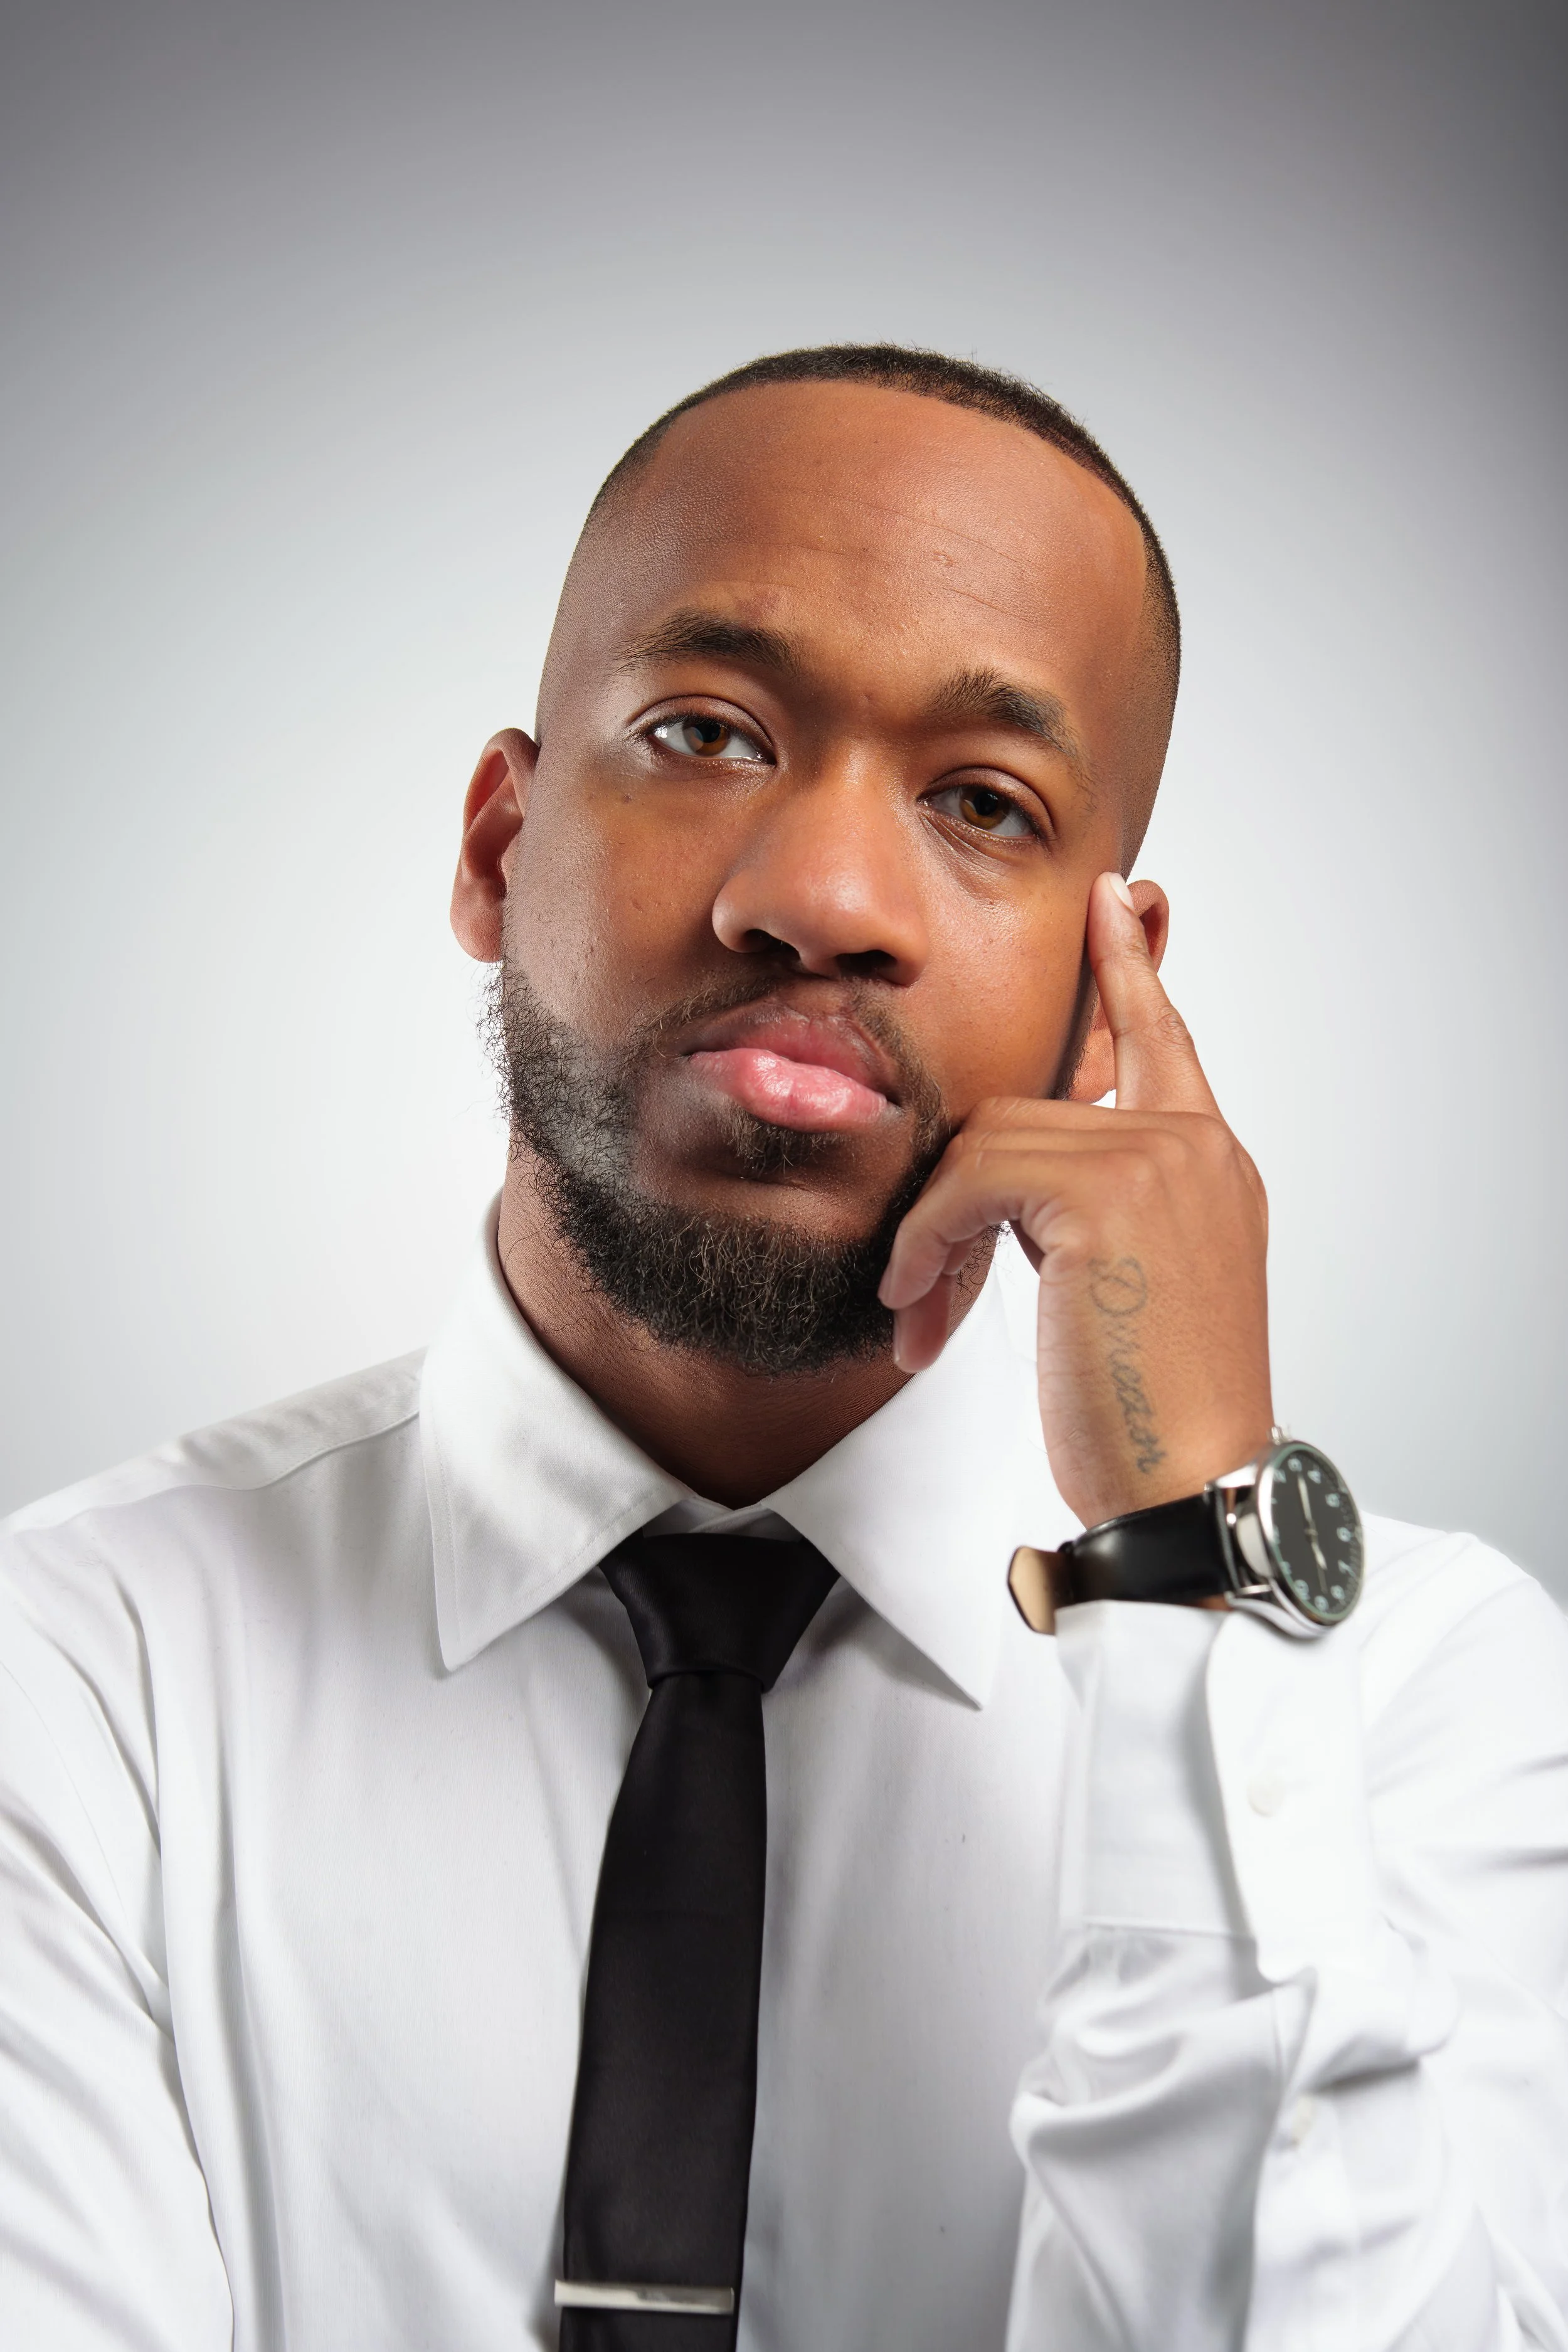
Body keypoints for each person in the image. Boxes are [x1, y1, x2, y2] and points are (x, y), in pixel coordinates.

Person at [1, 344, 1564, 2352]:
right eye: (707, 733)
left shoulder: (1414, 1704)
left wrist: (1185, 1547)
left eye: (981, 802)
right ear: (496, 846)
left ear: (1110, 1001)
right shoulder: (81, 1680)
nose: (821, 899)